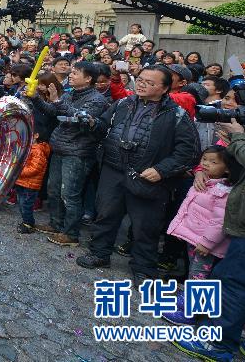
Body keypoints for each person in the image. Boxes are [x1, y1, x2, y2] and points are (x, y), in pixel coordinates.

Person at [77, 65, 200, 285]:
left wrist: (162, 170)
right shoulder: (123, 103)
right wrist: (93, 123)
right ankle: (99, 253)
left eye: (150, 83)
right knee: (106, 214)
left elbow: (189, 152)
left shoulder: (177, 115)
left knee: (146, 225)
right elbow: (104, 125)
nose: (142, 84)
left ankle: (143, 268)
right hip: (113, 169)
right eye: (140, 80)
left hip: (147, 177)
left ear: (165, 88)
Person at [172, 119, 245, 360]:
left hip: (241, 232)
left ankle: (217, 344)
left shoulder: (223, 189)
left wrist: (239, 138)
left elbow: (218, 220)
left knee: (231, 283)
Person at [27, 61, 108, 246]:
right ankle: (56, 224)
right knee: (54, 189)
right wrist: (35, 98)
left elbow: (82, 118)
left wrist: (56, 101)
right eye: (71, 72)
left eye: (76, 73)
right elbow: (53, 112)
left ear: (88, 79)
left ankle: (71, 234)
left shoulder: (97, 100)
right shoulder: (71, 94)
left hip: (78, 152)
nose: (71, 75)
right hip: (61, 148)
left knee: (70, 194)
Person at [14, 71, 60, 233]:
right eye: (38, 83)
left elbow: (34, 167)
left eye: (43, 84)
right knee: (23, 198)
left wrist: (19, 171)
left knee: (28, 198)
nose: (40, 87)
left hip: (43, 136)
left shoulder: (56, 101)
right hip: (34, 133)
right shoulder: (32, 96)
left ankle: (29, 221)